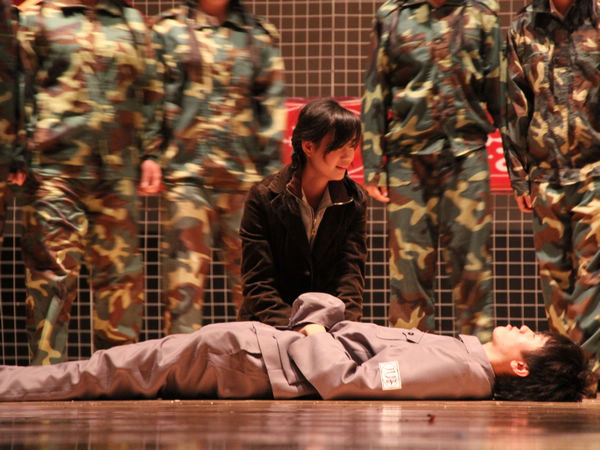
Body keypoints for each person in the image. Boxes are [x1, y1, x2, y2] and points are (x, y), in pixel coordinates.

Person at [0, 292, 592, 402]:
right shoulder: (462, 361)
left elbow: (349, 382)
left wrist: (314, 327)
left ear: (521, 366)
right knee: (102, 372)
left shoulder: (460, 373)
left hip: (254, 359)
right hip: (256, 354)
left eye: (531, 336)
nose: (521, 326)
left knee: (99, 372)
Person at [17, 0, 163, 365]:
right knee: (51, 280)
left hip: (117, 174)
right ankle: (45, 377)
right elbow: (17, 88)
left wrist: (150, 153)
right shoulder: (37, 16)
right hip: (53, 171)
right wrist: (16, 150)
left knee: (121, 283)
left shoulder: (132, 22)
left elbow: (151, 92)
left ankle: (118, 379)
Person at [360, 0, 504, 342]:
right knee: (407, 279)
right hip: (407, 161)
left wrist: (518, 165)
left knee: (473, 274)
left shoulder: (482, 14)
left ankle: (479, 362)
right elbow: (376, 91)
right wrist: (373, 164)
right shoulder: (392, 16)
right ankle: (413, 362)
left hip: (466, 158)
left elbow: (501, 93)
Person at [151, 0, 286, 334]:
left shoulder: (258, 35)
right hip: (187, 178)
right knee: (182, 292)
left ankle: (256, 363)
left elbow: (271, 108)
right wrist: (151, 154)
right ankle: (181, 367)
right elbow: (154, 98)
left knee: (256, 290)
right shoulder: (167, 30)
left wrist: (273, 180)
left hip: (246, 181)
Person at [502, 0, 600, 378]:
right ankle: (564, 378)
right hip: (545, 178)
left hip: (594, 173)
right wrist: (519, 175)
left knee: (592, 281)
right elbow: (514, 106)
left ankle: (590, 378)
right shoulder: (524, 26)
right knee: (555, 287)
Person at [237, 99, 367, 326]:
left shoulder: (354, 199)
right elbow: (258, 284)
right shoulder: (263, 197)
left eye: (352, 146)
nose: (349, 157)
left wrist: (339, 327)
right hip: (270, 325)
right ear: (308, 147)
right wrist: (299, 326)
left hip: (329, 327)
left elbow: (350, 278)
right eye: (340, 146)